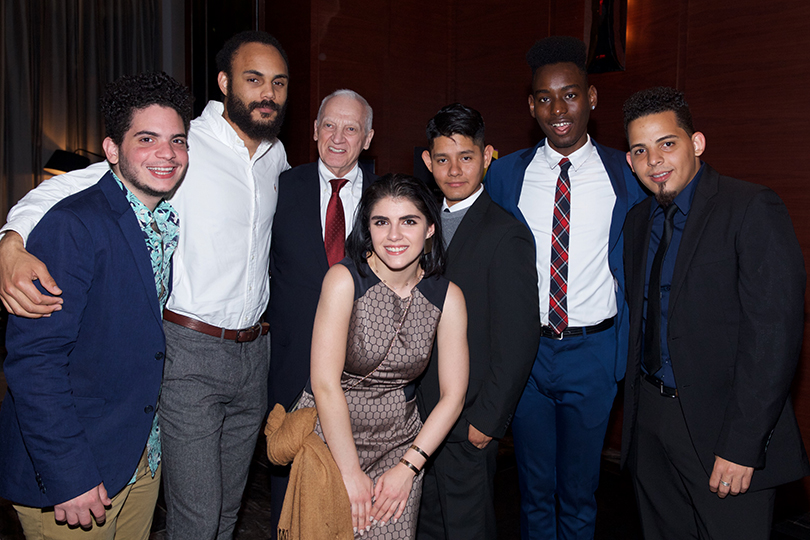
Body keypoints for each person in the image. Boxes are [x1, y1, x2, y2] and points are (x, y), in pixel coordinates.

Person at [0, 30, 290, 540]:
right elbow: (78, 186)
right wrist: (11, 240)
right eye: (253, 79)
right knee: (197, 515)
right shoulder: (183, 142)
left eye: (279, 82)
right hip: (190, 347)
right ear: (224, 83)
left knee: (226, 507)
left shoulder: (277, 157)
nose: (267, 92)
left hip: (253, 355)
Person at [0, 71, 191, 539]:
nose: (166, 153)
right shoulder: (71, 227)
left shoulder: (163, 219)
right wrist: (70, 475)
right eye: (146, 139)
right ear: (111, 150)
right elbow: (34, 361)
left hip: (139, 456)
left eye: (177, 140)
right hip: (76, 471)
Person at [620, 86, 809, 539]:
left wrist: (744, 446)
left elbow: (774, 337)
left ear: (696, 143)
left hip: (723, 429)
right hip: (650, 422)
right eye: (641, 151)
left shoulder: (750, 207)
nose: (655, 161)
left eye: (668, 144)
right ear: (630, 162)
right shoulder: (637, 221)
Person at [484, 36, 645, 539]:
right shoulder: (507, 174)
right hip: (526, 354)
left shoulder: (627, 173)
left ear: (592, 98)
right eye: (546, 98)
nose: (559, 109)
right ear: (531, 104)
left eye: (570, 94)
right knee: (532, 491)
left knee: (579, 492)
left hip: (593, 353)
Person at [295, 173, 468, 539]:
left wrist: (409, 467)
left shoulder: (447, 297)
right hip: (330, 436)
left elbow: (453, 396)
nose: (394, 236)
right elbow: (324, 384)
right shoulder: (344, 281)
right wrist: (350, 471)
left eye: (409, 221)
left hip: (399, 442)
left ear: (431, 228)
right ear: (367, 228)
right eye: (381, 222)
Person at [415, 103, 540, 539]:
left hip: (467, 421)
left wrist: (487, 422)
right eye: (443, 159)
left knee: (466, 529)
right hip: (416, 416)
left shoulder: (506, 233)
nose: (454, 170)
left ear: (488, 157)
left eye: (466, 157)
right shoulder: (417, 224)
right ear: (428, 161)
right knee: (425, 525)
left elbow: (519, 340)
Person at [268, 88, 377, 537]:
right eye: (329, 125)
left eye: (351, 128)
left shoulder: (388, 198)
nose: (338, 137)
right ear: (313, 130)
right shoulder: (278, 186)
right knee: (291, 501)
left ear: (367, 138)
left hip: (363, 377)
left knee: (357, 506)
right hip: (290, 370)